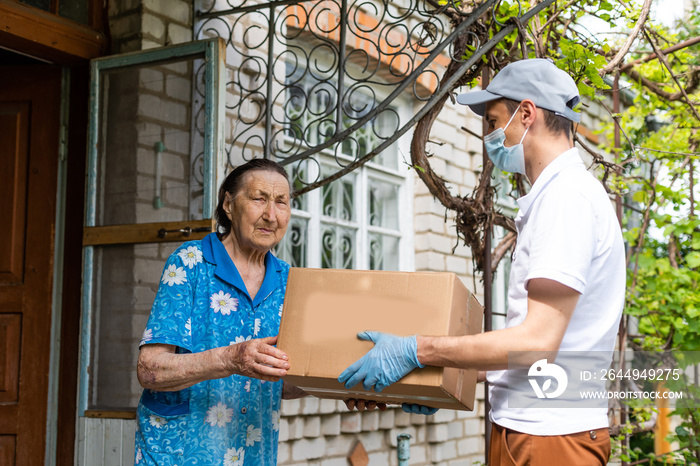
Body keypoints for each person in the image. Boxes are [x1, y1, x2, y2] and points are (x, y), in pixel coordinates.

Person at [338, 58, 625, 465]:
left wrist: (419, 351)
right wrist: (434, 379)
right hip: (537, 429)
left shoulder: (567, 199)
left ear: (527, 113)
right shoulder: (560, 196)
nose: (488, 136)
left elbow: (537, 343)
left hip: (547, 439)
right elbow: (535, 352)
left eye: (493, 121)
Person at [134, 158, 306, 466]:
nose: (271, 215)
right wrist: (231, 358)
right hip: (179, 454)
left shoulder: (288, 282)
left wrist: (339, 386)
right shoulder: (191, 262)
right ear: (229, 204)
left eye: (281, 202)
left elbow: (281, 381)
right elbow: (150, 370)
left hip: (252, 454)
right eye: (259, 199)